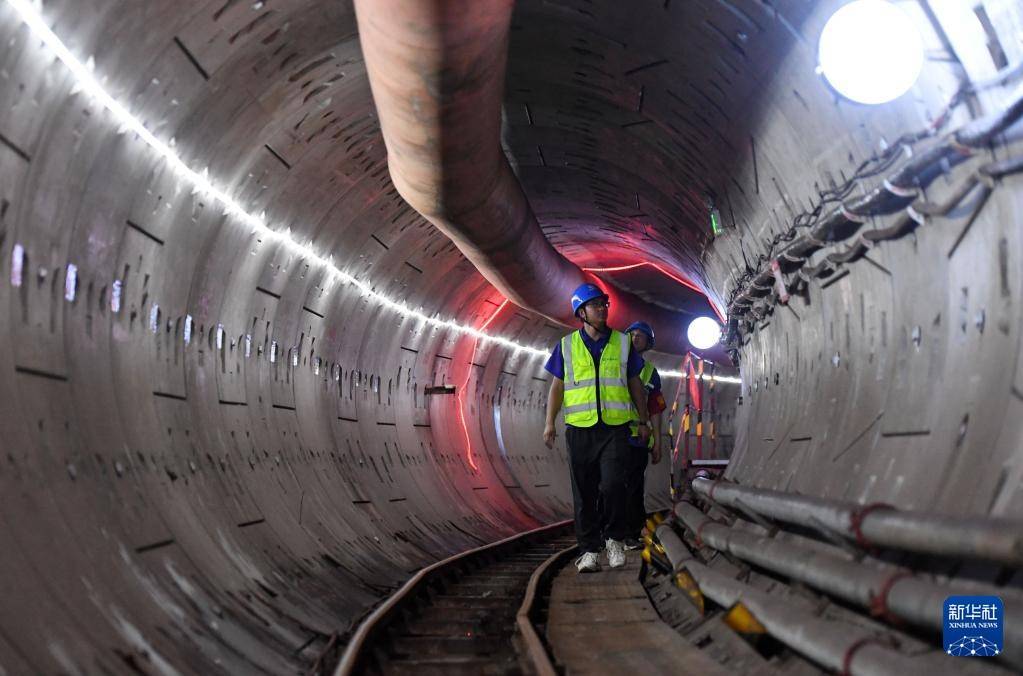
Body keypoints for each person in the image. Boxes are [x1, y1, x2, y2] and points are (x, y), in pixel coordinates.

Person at [543, 283, 651, 573]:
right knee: (584, 492)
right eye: (596, 305)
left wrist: (643, 420)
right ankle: (589, 550)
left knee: (614, 485)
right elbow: (557, 386)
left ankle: (614, 540)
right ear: (582, 312)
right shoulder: (566, 346)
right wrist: (548, 422)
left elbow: (635, 385)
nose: (603, 309)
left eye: (604, 304)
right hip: (579, 429)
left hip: (615, 428)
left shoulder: (622, 343)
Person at [622, 321, 666, 550]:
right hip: (614, 434)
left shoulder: (650, 372)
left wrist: (658, 441)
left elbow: (656, 409)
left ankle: (630, 534)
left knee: (634, 487)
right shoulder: (614, 364)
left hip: (638, 439)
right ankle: (610, 533)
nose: (635, 338)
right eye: (632, 334)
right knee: (610, 486)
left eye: (641, 336)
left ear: (648, 343)